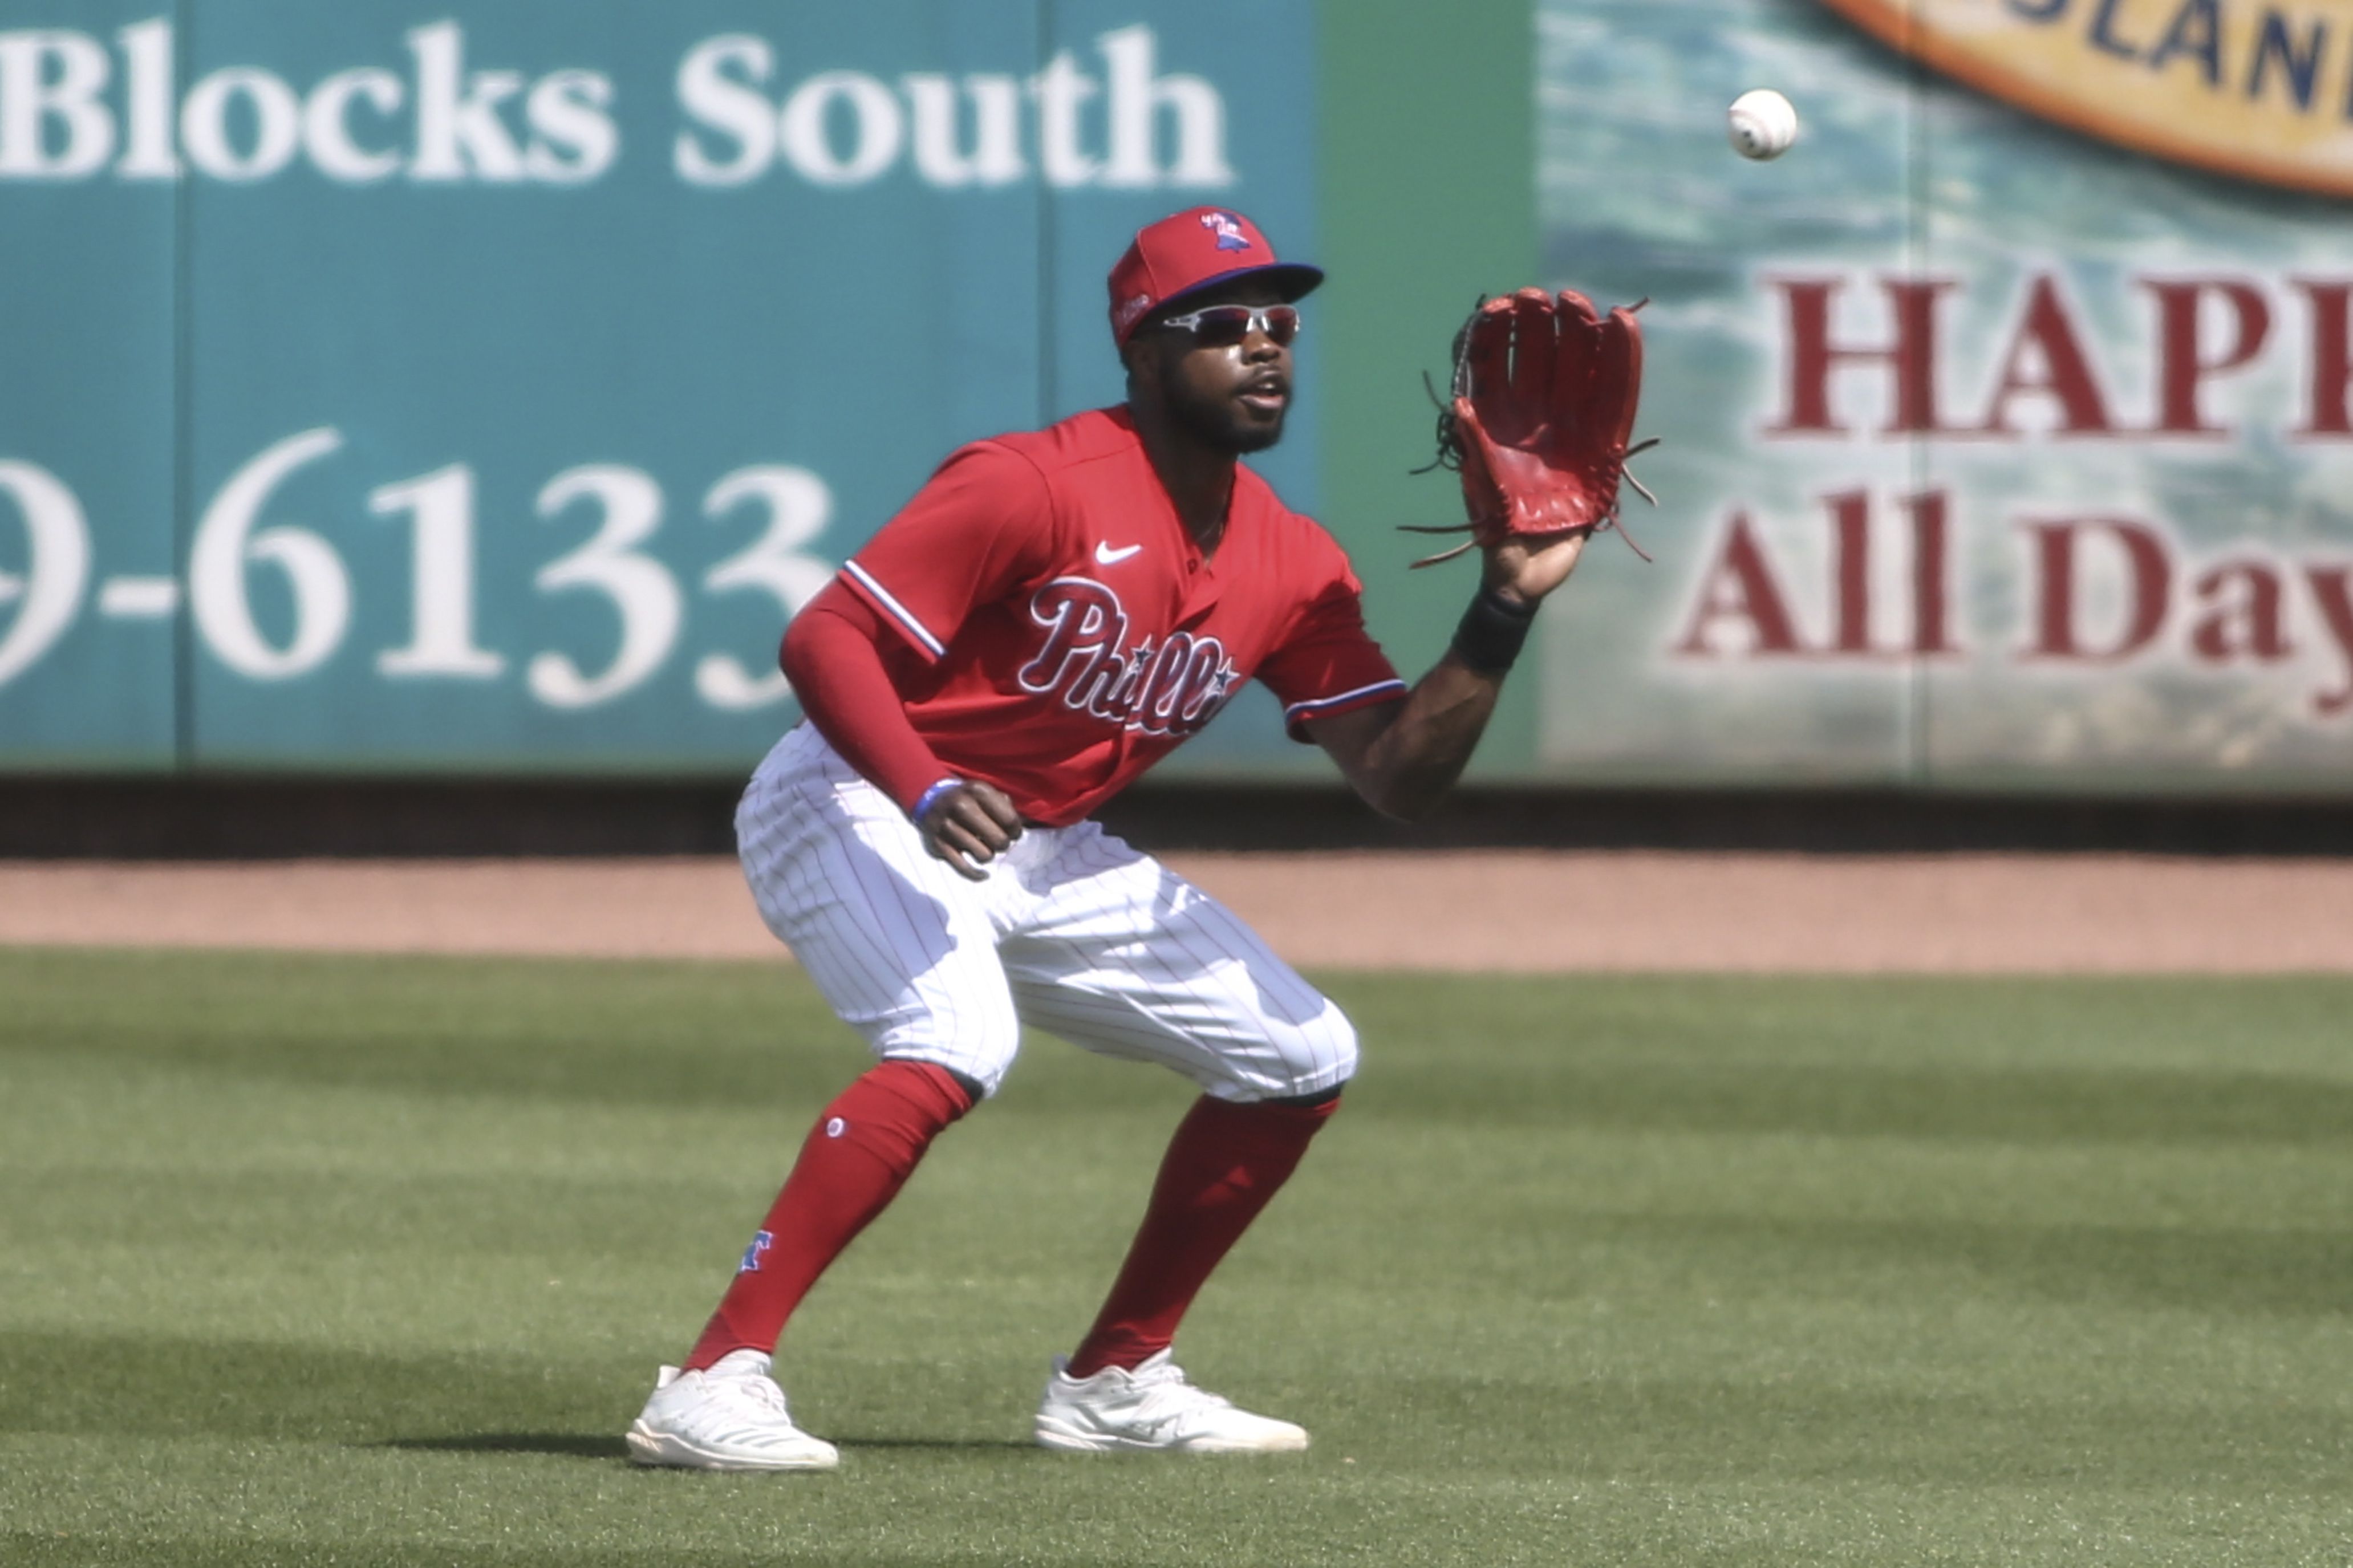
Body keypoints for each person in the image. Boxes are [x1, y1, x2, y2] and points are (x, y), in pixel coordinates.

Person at [625, 205, 1589, 1469]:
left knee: (1300, 1051)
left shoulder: (1290, 563)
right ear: (1139, 351)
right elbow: (823, 638)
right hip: (858, 792)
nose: (1262, 348)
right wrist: (918, 786)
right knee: (956, 1037)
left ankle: (1114, 1376)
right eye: (1221, 324)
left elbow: (1399, 778)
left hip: (1039, 840)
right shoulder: (1031, 481)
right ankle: (709, 1379)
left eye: (1280, 324)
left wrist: (1501, 609)